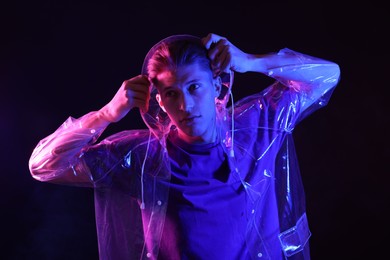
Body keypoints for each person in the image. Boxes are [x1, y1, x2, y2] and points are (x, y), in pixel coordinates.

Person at [28, 33, 341, 260]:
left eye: (194, 88)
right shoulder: (146, 158)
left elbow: (327, 76)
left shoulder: (255, 127)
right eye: (172, 95)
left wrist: (250, 61)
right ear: (159, 103)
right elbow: (44, 166)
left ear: (217, 86)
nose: (186, 105)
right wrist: (106, 114)